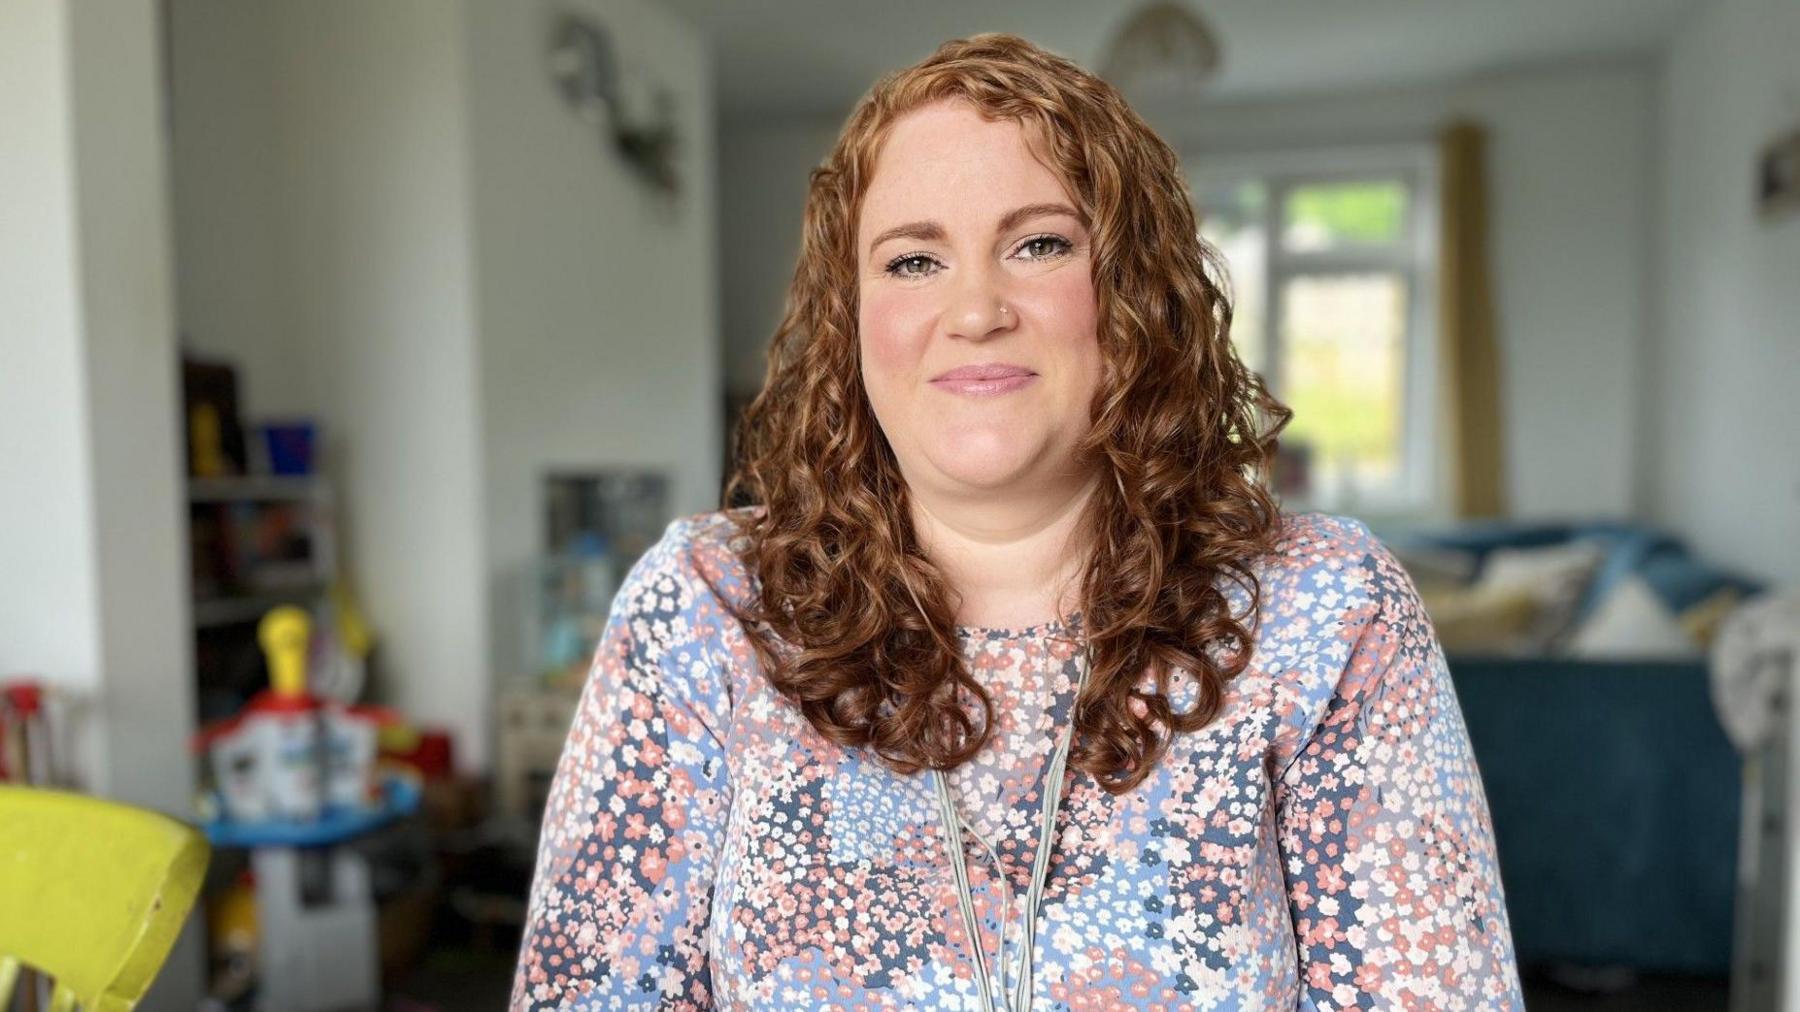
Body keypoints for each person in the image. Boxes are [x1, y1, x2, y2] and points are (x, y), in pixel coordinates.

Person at [511, 32, 1523, 1011]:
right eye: (914, 260)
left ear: (1134, 293)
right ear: (848, 318)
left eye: (1039, 243)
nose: (977, 307)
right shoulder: (708, 608)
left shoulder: (1324, 608)